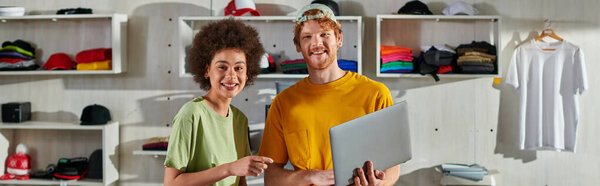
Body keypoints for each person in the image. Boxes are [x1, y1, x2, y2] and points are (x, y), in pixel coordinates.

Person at [258, 4, 400, 186]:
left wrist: (380, 183)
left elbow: (394, 166)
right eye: (307, 37)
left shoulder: (375, 94)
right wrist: (310, 176)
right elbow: (271, 177)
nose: (317, 43)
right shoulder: (283, 103)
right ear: (298, 46)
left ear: (339, 39)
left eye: (324, 34)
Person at [164, 19, 273, 186]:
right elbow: (171, 183)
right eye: (222, 67)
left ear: (247, 72)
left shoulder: (239, 120)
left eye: (238, 68)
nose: (231, 76)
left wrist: (236, 170)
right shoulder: (192, 114)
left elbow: (240, 180)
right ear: (207, 70)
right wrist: (229, 168)